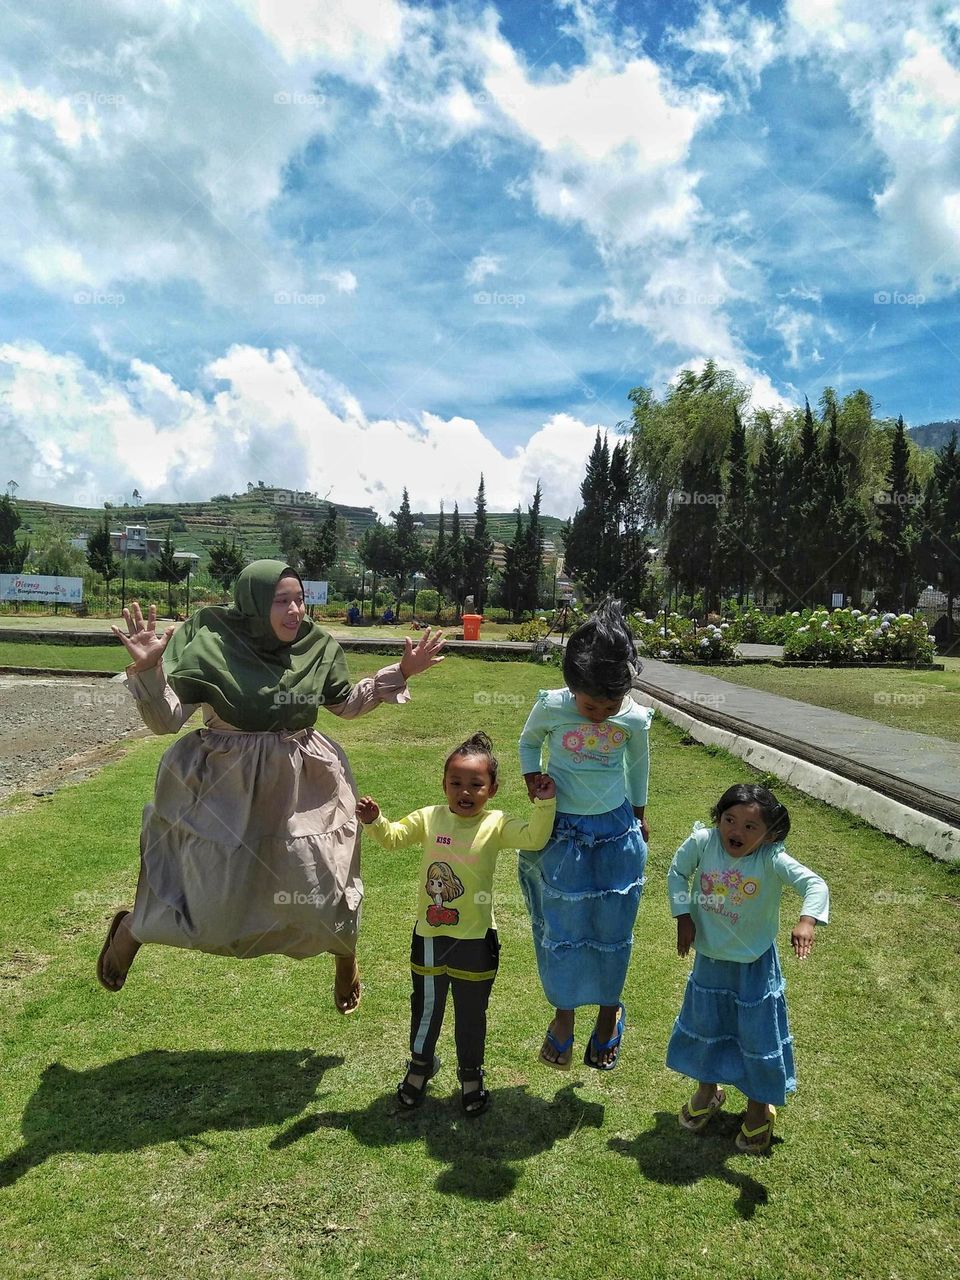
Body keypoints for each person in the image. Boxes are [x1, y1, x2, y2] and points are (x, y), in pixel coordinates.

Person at [97, 560, 444, 1015]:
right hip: (226, 791)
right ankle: (132, 930)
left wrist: (400, 672)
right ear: (254, 603)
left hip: (304, 788)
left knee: (322, 887)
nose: (296, 610)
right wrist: (150, 671)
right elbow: (165, 720)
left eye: (300, 599)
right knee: (214, 913)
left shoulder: (315, 647)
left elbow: (347, 703)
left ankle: (345, 955)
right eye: (282, 601)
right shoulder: (211, 644)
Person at [357, 732, 557, 1114]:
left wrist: (545, 803)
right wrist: (375, 820)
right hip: (430, 936)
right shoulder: (431, 817)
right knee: (426, 1007)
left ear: (492, 789)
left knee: (470, 1012)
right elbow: (395, 838)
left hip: (476, 940)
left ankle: (471, 1074)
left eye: (475, 785)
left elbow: (533, 838)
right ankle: (420, 1066)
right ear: (444, 785)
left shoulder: (496, 823)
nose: (465, 792)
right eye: (456, 783)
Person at [518, 600, 651, 1071]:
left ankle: (610, 1014)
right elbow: (529, 741)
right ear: (571, 687)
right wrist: (533, 778)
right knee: (565, 928)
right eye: (590, 705)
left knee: (613, 927)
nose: (599, 715)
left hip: (615, 830)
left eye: (609, 707)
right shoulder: (552, 705)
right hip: (563, 831)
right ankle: (564, 1017)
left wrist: (639, 813)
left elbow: (638, 764)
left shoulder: (633, 719)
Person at [666, 783, 829, 1154]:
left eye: (750, 827)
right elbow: (677, 873)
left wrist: (807, 921)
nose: (736, 832)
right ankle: (708, 1092)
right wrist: (683, 915)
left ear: (769, 834)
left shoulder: (771, 859)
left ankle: (759, 1109)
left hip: (754, 964)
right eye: (729, 820)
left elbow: (814, 884)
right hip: (710, 961)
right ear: (718, 818)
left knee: (757, 1037)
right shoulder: (703, 843)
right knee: (708, 1026)